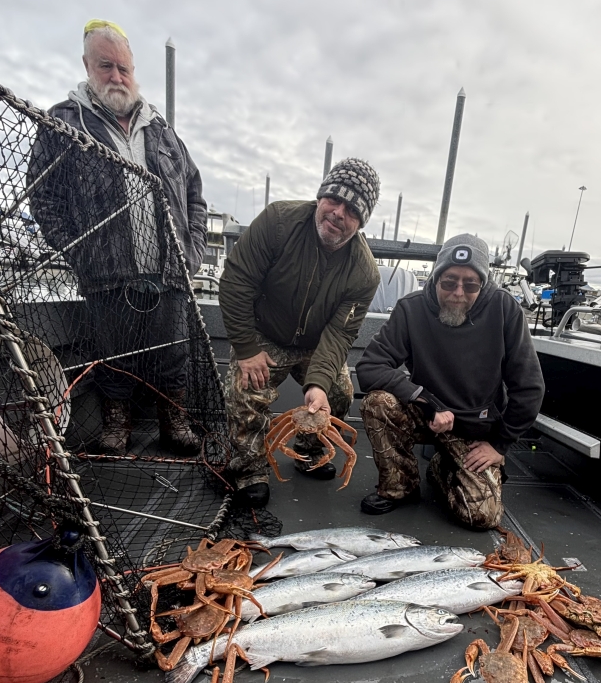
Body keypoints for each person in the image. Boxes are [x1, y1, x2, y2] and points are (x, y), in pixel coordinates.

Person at [29, 20, 207, 454]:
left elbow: (195, 194)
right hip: (105, 276)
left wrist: (193, 251)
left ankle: (174, 421)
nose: (116, 76)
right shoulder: (64, 121)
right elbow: (43, 197)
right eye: (105, 66)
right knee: (113, 355)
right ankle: (116, 426)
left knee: (173, 355)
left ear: (133, 70)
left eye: (123, 68)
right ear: (87, 66)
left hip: (169, 274)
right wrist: (80, 252)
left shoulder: (162, 130)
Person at [219, 158, 381, 508]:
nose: (339, 213)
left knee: (339, 392)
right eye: (334, 199)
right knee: (246, 388)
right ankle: (250, 469)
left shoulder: (365, 272)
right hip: (265, 335)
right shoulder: (278, 221)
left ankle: (309, 453)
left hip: (315, 345)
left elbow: (340, 334)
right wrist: (246, 349)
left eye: (353, 210)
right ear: (321, 196)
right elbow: (236, 281)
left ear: (361, 222)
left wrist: (318, 384)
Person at [356, 234, 544, 530]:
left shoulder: (505, 309)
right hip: (427, 414)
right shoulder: (411, 309)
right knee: (377, 403)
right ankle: (400, 486)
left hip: (475, 428)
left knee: (481, 517)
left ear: (483, 284)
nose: (458, 292)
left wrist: (500, 445)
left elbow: (530, 386)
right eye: (449, 282)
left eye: (470, 285)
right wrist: (425, 400)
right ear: (435, 278)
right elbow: (370, 367)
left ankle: (442, 468)